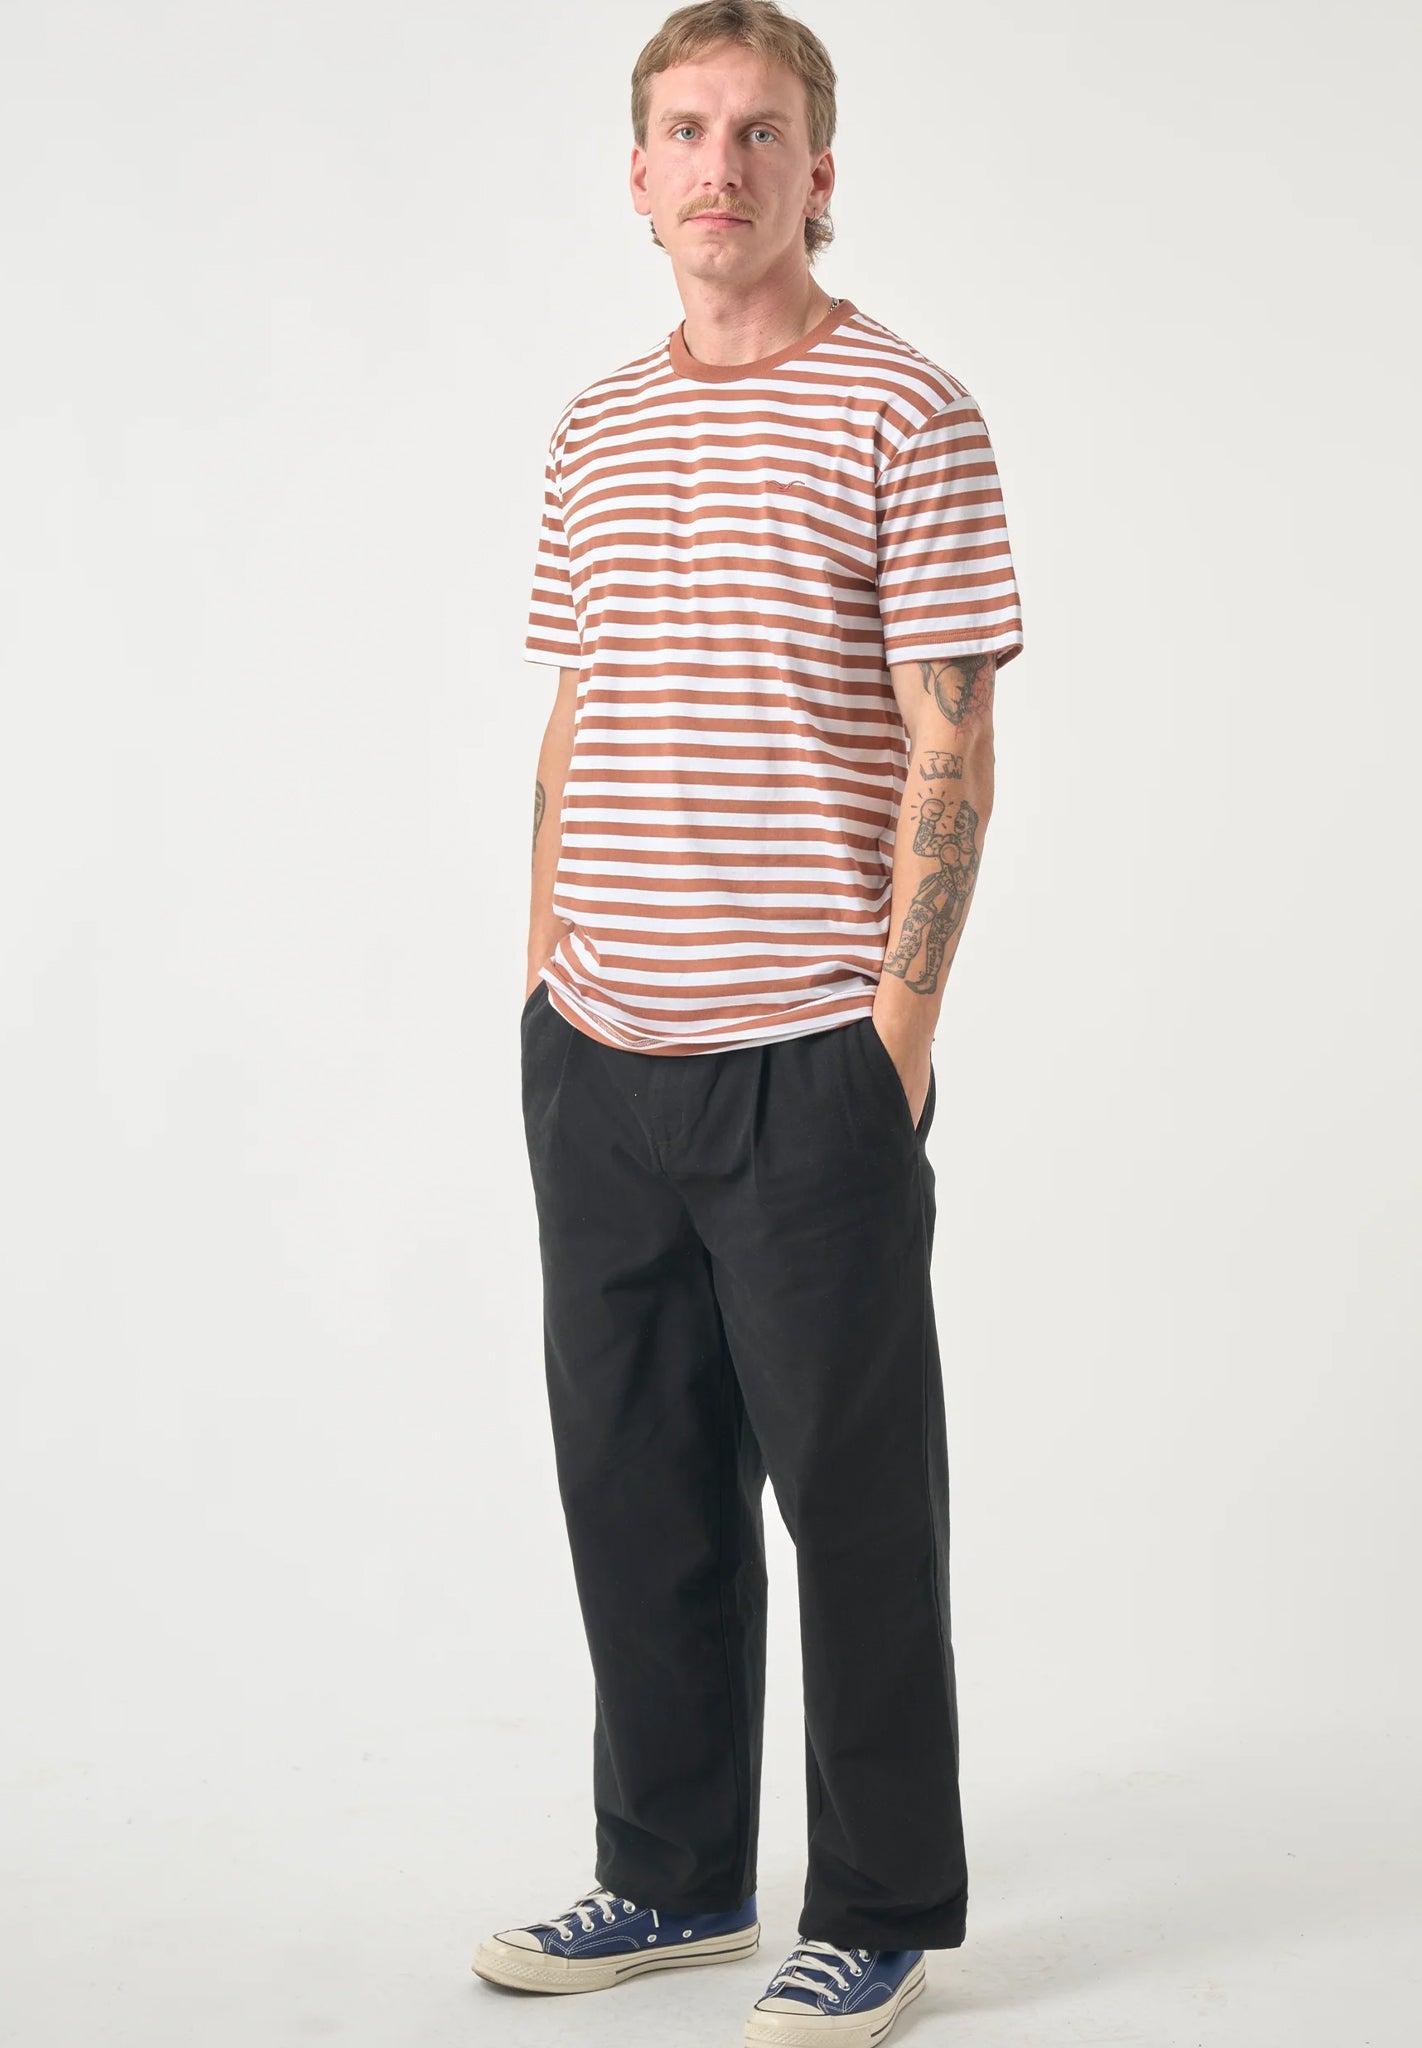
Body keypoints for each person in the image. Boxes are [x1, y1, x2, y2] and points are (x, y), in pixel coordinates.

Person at [473, 3, 1024, 2039]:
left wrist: (892, 1041)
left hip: (808, 1063)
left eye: (762, 131)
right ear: (638, 176)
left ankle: (873, 1908)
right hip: (598, 1055)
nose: (722, 165)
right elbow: (576, 713)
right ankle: (672, 1875)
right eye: (688, 131)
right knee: (636, 1487)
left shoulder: (910, 413)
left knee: (855, 1508)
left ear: (818, 171)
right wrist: (542, 979)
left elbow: (953, 746)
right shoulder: (594, 427)